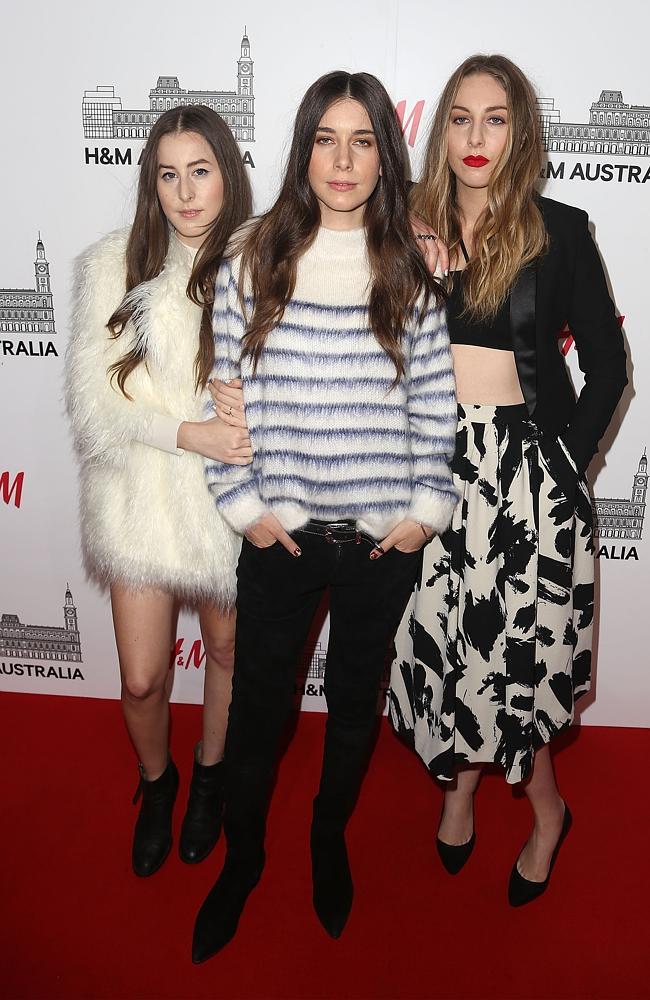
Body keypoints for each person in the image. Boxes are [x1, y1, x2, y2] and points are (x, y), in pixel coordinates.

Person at [192, 70, 458, 963]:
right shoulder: (252, 257)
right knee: (261, 715)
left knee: (353, 710)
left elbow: (431, 399)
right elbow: (224, 396)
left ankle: (325, 838)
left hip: (382, 543)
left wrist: (425, 511)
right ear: (303, 148)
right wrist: (244, 508)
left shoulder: (407, 265)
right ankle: (244, 858)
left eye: (362, 141)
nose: (342, 161)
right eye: (324, 139)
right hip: (283, 535)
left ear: (385, 155)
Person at [389, 54, 627, 906]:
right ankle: (458, 788)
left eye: (495, 118)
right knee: (449, 644)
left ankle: (548, 810)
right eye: (460, 117)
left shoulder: (558, 229)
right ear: (441, 132)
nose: (476, 136)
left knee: (515, 658)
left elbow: (608, 364)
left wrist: (568, 459)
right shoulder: (407, 226)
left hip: (527, 483)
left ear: (518, 130)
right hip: (430, 472)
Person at [65, 106, 252, 878]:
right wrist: (189, 432)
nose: (184, 191)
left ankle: (209, 776)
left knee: (228, 651)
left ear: (226, 175)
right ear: (153, 184)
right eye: (168, 174)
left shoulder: (261, 255)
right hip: (141, 491)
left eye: (199, 170)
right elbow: (95, 404)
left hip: (231, 496)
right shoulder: (116, 262)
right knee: (142, 676)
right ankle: (158, 779)